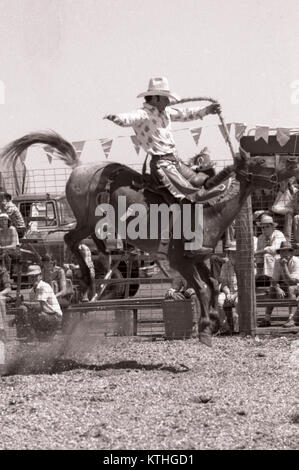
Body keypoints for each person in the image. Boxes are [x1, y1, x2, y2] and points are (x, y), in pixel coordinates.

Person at [104, 76, 235, 255]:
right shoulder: (144, 114)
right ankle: (191, 242)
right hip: (162, 165)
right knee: (187, 196)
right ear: (156, 98)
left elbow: (186, 113)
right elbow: (129, 118)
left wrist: (207, 110)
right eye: (165, 97)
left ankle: (202, 229)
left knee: (203, 182)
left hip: (175, 161)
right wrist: (117, 118)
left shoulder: (166, 112)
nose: (169, 100)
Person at [15, 264, 62, 341]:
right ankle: (34, 336)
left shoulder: (44, 286)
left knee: (26, 310)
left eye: (35, 276)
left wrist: (23, 303)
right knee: (24, 310)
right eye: (31, 276)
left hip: (54, 316)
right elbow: (35, 307)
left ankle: (32, 337)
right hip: (46, 315)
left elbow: (39, 306)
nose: (33, 278)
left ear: (40, 276)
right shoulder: (32, 290)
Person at [259, 241, 299, 328]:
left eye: (287, 251)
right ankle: (267, 319)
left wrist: (284, 266)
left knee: (290, 288)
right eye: (282, 251)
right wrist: (277, 288)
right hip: (285, 284)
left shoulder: (296, 262)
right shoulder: (278, 261)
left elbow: (291, 281)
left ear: (291, 252)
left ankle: (290, 318)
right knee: (272, 289)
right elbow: (274, 279)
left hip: (296, 285)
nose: (284, 253)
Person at [254, 214, 286, 281]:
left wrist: (257, 252)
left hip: (282, 262)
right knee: (258, 259)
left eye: (267, 227)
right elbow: (258, 256)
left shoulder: (278, 234)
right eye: (262, 227)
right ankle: (262, 278)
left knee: (267, 256)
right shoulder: (260, 238)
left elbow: (274, 249)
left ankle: (274, 282)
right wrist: (259, 271)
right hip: (266, 264)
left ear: (273, 227)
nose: (264, 229)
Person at [217, 241, 239, 333]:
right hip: (228, 292)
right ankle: (225, 327)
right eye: (231, 252)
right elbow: (224, 282)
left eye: (235, 252)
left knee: (238, 302)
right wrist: (228, 293)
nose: (233, 254)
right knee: (218, 301)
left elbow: (245, 286)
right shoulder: (225, 265)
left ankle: (238, 329)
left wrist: (234, 295)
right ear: (228, 254)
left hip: (240, 293)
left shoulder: (244, 265)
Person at [0, 264, 12, 341]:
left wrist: (0, 293)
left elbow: (8, 289)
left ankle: (2, 329)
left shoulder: (3, 273)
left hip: (3, 296)